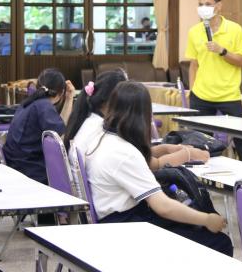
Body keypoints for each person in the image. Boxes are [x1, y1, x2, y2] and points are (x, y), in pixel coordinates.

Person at [85, 81, 232, 256]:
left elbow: (143, 159)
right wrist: (207, 219)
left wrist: (166, 148)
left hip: (114, 220)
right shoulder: (124, 154)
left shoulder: (103, 138)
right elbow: (163, 207)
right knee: (219, 242)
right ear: (142, 116)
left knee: (187, 222)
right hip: (126, 229)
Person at [64, 70, 209, 170]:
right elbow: (152, 164)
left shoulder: (90, 120)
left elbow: (137, 154)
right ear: (113, 99)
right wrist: (188, 154)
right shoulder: (104, 132)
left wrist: (166, 148)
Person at [185, 0, 242, 163]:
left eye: (208, 4)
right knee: (199, 144)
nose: (203, 8)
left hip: (229, 95)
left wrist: (222, 51)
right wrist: (192, 91)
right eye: (200, 4)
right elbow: (194, 65)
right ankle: (202, 177)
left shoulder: (235, 29)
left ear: (219, 6)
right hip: (201, 95)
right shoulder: (194, 31)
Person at [3, 68, 75, 184]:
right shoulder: (44, 107)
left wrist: (69, 99)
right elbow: (60, 141)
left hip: (14, 165)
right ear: (61, 92)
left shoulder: (30, 102)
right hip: (30, 171)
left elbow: (58, 128)